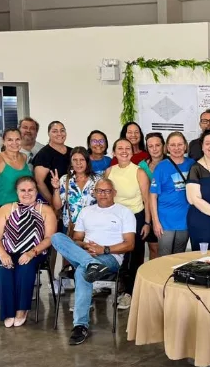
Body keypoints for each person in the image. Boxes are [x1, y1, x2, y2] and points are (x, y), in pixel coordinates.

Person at [51, 178, 136, 345]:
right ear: (94, 193)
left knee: (82, 272)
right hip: (85, 253)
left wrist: (103, 249)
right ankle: (90, 263)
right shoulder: (86, 212)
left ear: (114, 193)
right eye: (100, 191)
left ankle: (80, 326)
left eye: (107, 191)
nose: (103, 194)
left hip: (110, 258)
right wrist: (86, 246)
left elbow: (130, 244)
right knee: (56, 237)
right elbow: (76, 239)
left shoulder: (124, 212)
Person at [0, 176, 57, 328]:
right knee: (3, 270)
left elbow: (49, 238)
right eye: (23, 190)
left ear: (36, 191)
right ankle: (8, 311)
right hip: (5, 250)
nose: (27, 193)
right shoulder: (6, 209)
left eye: (30, 190)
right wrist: (2, 254)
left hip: (33, 251)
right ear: (17, 192)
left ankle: (21, 309)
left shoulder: (45, 210)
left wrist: (32, 253)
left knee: (25, 268)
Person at [104, 138, 150, 310]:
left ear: (132, 152)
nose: (124, 151)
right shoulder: (109, 171)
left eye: (127, 148)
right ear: (114, 152)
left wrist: (147, 222)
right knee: (117, 255)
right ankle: (121, 287)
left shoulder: (139, 172)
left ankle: (130, 293)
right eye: (120, 148)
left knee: (134, 257)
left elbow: (147, 200)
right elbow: (105, 197)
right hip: (115, 219)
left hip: (136, 218)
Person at [150, 132, 194, 256]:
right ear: (167, 148)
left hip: (186, 219)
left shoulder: (192, 164)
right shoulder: (161, 167)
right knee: (164, 256)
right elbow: (153, 196)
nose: (176, 148)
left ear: (185, 146)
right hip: (165, 221)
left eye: (180, 144)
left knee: (179, 256)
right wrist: (155, 221)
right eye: (173, 145)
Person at [50, 147, 98, 235]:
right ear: (71, 162)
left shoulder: (97, 180)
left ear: (87, 161)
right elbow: (57, 206)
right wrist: (56, 188)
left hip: (92, 226)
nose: (78, 163)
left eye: (82, 160)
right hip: (70, 227)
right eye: (75, 160)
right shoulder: (65, 179)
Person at [0, 128, 32, 210]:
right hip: (6, 208)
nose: (14, 143)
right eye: (10, 140)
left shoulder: (24, 156)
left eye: (17, 139)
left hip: (26, 207)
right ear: (4, 141)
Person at [138, 132, 165, 260]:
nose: (154, 149)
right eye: (150, 146)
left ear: (163, 146)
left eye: (157, 145)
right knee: (153, 248)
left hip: (167, 211)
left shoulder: (171, 163)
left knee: (166, 248)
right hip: (149, 210)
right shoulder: (142, 166)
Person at [32, 120, 72, 204]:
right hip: (54, 202)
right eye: (55, 131)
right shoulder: (43, 155)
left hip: (72, 201)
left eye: (62, 130)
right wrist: (53, 204)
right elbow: (39, 183)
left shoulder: (72, 152)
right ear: (49, 134)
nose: (59, 134)